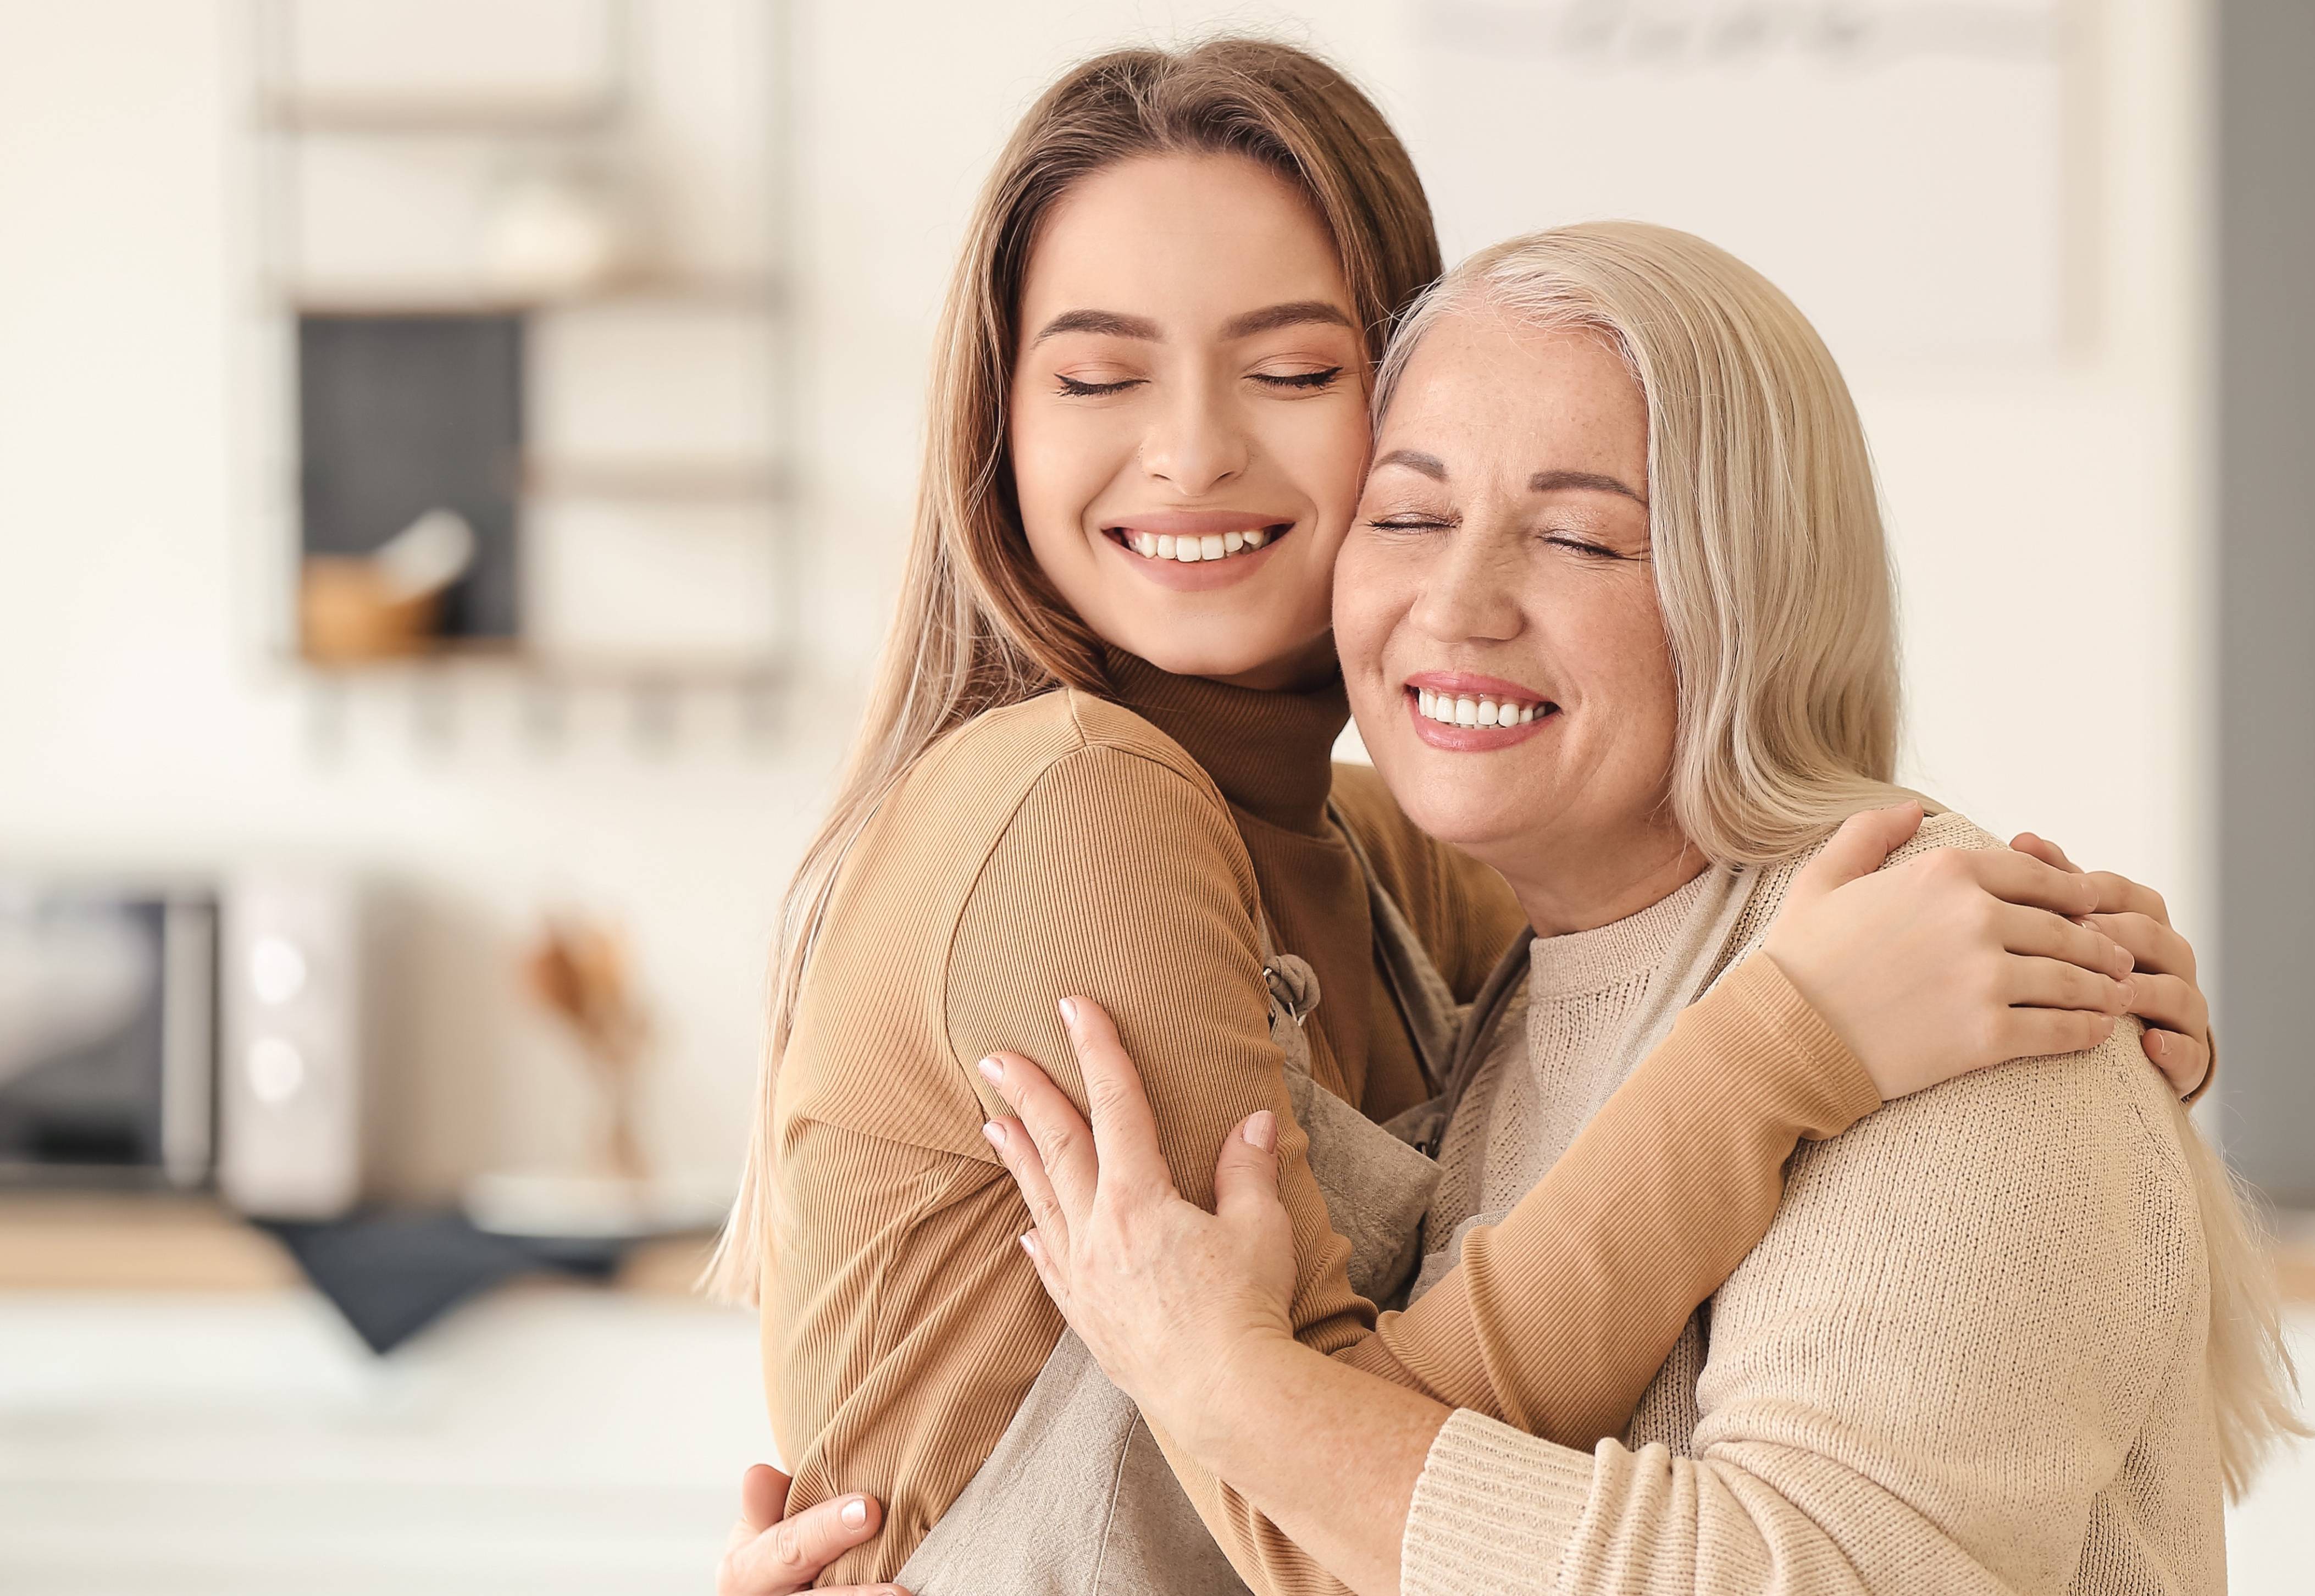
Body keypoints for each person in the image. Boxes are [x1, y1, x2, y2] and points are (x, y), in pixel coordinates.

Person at [707, 39, 2223, 1595]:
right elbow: (1311, 1513)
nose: (1187, 450)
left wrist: (2077, 970)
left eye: (1294, 372)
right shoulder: (1080, 800)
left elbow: (1662, 929)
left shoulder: (1389, 853)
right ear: (997, 426)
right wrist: (1792, 1043)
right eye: (1096, 378)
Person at [971, 221, 2303, 1595]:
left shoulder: (1951, 988)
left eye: (1578, 538)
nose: (1458, 602)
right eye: (1412, 516)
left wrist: (1227, 1387)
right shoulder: (1506, 970)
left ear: (1756, 592)